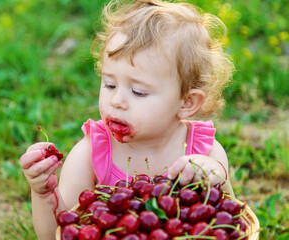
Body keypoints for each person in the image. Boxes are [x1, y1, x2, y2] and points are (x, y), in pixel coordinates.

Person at [19, 0, 234, 238]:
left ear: (186, 103)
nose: (117, 100)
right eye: (109, 84)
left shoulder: (204, 155)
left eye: (138, 91)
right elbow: (60, 233)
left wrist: (217, 178)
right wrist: (43, 193)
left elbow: (231, 224)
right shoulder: (91, 155)